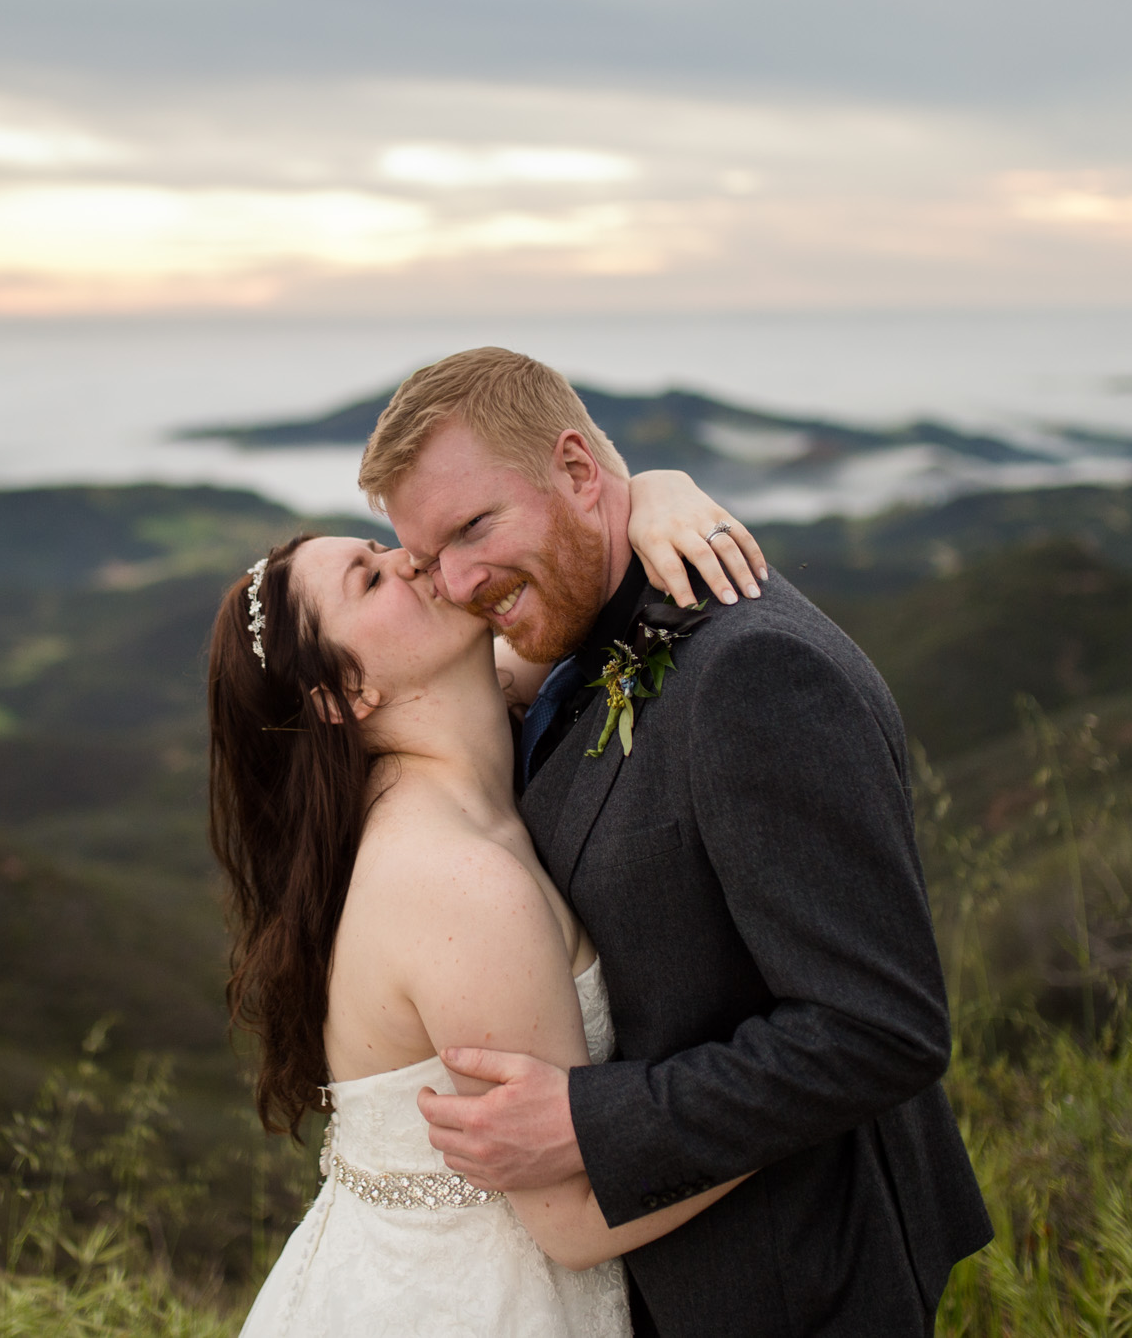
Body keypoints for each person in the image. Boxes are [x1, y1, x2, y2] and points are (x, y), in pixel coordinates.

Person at [371, 348, 993, 1337]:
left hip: (792, 1284)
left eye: (473, 526)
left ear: (577, 471)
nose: (456, 580)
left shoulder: (756, 673)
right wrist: (654, 485)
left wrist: (587, 1120)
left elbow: (881, 1028)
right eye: (427, 552)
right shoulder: (580, 630)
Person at [209, 472, 762, 1337]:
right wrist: (809, 1092)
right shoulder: (454, 882)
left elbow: (579, 570)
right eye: (371, 578)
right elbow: (573, 1219)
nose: (414, 562)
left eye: (382, 547)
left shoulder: (478, 731)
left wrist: (655, 491)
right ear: (347, 695)